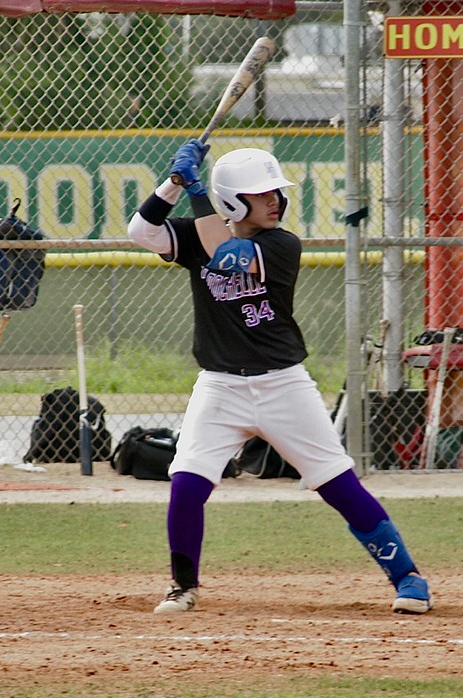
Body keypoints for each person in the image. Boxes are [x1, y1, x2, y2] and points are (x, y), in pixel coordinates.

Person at [128, 141, 433, 616]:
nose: (275, 200)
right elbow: (142, 231)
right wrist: (172, 182)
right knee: (187, 484)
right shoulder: (196, 233)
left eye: (275, 191)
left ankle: (408, 577)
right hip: (220, 386)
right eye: (260, 193)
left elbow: (227, 255)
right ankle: (183, 586)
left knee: (337, 484)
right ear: (232, 201)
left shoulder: (281, 244)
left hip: (282, 385)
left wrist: (197, 193)